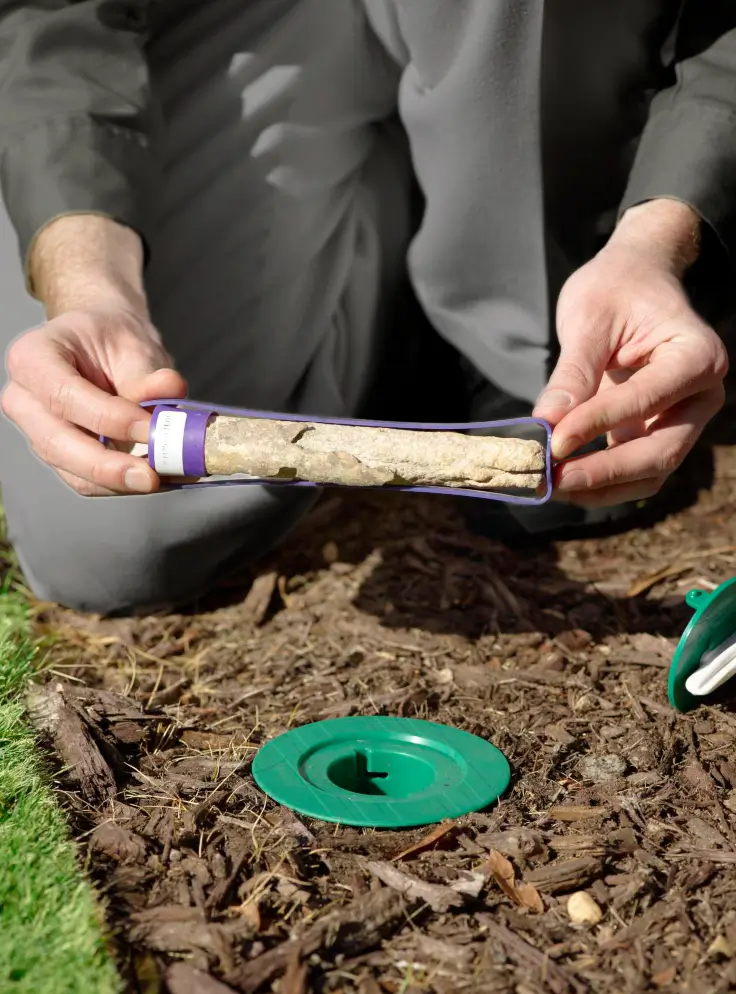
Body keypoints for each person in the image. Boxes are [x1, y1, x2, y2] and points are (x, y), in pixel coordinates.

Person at [0, 0, 733, 615]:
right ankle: (390, 250)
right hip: (233, 26)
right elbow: (50, 15)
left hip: (499, 25)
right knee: (112, 543)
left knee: (569, 447)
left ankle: (516, 318)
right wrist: (94, 286)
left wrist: (656, 239)